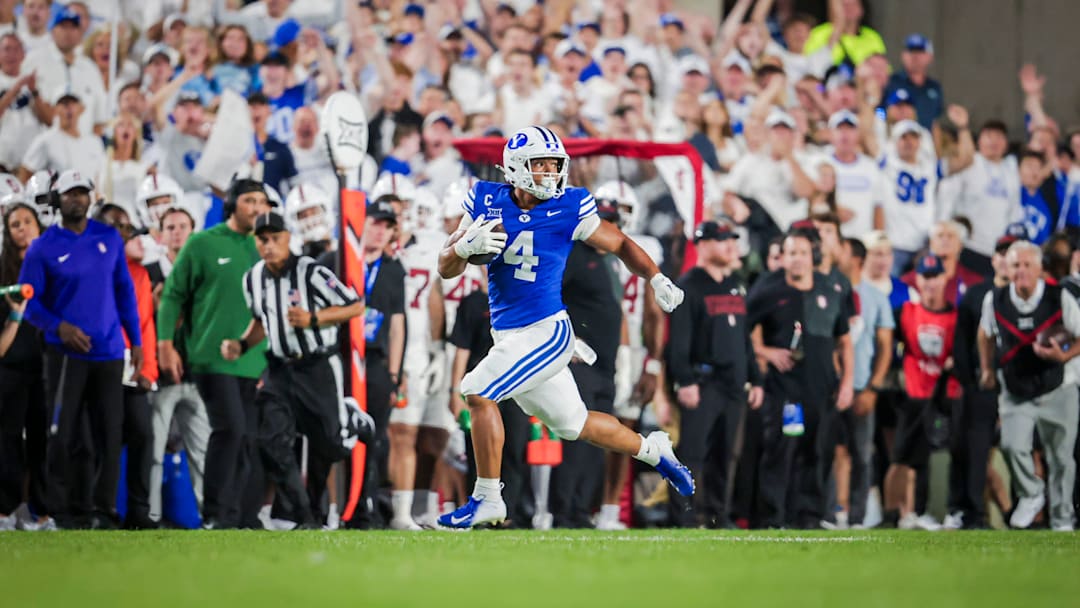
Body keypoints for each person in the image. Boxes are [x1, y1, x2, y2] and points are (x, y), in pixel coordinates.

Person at [436, 125, 692, 529]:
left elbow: (620, 242)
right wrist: (461, 250)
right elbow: (445, 268)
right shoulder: (485, 199)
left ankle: (487, 498)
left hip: (546, 332)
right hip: (509, 334)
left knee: (476, 390)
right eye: (541, 165)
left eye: (556, 165)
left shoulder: (569, 206)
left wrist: (656, 277)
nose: (551, 173)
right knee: (574, 424)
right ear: (517, 167)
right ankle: (652, 448)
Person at [222, 210, 373, 529]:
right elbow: (262, 321)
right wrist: (242, 344)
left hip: (317, 365)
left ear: (288, 238)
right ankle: (304, 515)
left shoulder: (310, 271)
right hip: (279, 369)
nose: (269, 245)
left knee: (329, 443)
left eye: (275, 238)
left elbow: (356, 305)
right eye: (262, 239)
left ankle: (352, 419)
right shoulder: (253, 278)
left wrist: (314, 319)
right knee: (271, 440)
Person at [18, 169, 142, 529]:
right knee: (62, 433)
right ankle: (62, 511)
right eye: (69, 194)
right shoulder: (43, 246)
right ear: (57, 199)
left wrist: (135, 341)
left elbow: (124, 292)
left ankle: (103, 511)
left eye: (82, 193)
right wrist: (60, 326)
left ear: (91, 197)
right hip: (65, 354)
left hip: (107, 351)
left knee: (110, 433)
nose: (77, 199)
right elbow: (30, 301)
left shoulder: (108, 238)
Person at [157, 178, 273, 529]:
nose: (257, 208)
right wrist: (164, 344)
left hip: (256, 360)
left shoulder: (266, 248)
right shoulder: (202, 243)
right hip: (210, 357)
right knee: (231, 430)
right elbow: (173, 295)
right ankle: (216, 514)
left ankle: (243, 516)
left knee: (249, 439)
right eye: (250, 200)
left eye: (262, 202)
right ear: (233, 204)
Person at [746, 226, 854, 529]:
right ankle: (772, 517)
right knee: (782, 450)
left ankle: (809, 517)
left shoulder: (830, 289)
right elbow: (741, 331)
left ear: (813, 256)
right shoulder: (768, 289)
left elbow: (844, 341)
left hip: (822, 389)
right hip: (785, 389)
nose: (796, 259)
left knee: (817, 452)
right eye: (791, 253)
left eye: (803, 253)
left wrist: (847, 383)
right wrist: (767, 352)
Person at [978, 241, 1079, 531]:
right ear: (1006, 269)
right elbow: (984, 334)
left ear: (1039, 269)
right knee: (1012, 445)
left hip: (1059, 386)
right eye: (1015, 265)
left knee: (1061, 457)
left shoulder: (1059, 296)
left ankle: (1061, 519)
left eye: (1026, 265)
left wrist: (1065, 354)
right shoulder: (995, 299)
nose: (1021, 271)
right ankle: (1032, 492)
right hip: (1016, 387)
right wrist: (986, 369)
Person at [668, 219, 763, 528]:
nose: (731, 245)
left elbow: (745, 340)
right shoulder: (688, 285)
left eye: (732, 239)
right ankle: (685, 516)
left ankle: (717, 515)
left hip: (734, 383)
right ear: (704, 245)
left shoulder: (736, 284)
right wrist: (684, 380)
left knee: (727, 454)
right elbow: (678, 339)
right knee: (693, 453)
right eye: (723, 240)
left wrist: (756, 378)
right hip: (704, 381)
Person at [549, 198, 625, 528]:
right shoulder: (575, 256)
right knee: (578, 437)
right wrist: (567, 342)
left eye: (611, 221)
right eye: (602, 221)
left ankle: (582, 509)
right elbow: (549, 298)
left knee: (597, 441)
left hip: (606, 364)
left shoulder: (610, 261)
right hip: (580, 363)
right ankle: (564, 510)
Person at [885, 253, 959, 531]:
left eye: (934, 276)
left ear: (944, 278)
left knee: (944, 457)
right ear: (917, 279)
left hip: (945, 397)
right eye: (925, 277)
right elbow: (887, 343)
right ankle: (892, 516)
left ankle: (941, 511)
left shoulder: (955, 316)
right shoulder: (905, 312)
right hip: (914, 395)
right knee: (902, 458)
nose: (930, 283)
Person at [94, 203, 157, 529]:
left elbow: (146, 325)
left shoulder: (139, 272)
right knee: (103, 437)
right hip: (101, 362)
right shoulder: (90, 266)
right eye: (118, 226)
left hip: (133, 368)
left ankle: (138, 511)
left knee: (143, 435)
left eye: (127, 226)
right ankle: (99, 511)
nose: (126, 232)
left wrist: (149, 368)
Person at [948, 231, 1016, 530]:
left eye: (1011, 254)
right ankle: (973, 513)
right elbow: (961, 342)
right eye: (1000, 253)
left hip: (1022, 389)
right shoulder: (976, 294)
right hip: (983, 387)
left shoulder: (1034, 292)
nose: (1005, 260)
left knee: (1025, 450)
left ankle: (1037, 513)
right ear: (994, 259)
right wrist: (971, 381)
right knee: (974, 451)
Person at [348, 199, 407, 529]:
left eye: (387, 227)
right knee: (338, 432)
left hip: (376, 360)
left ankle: (369, 504)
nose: (381, 231)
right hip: (343, 357)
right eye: (376, 223)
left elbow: (398, 324)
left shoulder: (393, 269)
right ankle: (336, 505)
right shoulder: (342, 260)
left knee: (376, 435)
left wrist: (395, 372)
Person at [832, 236, 893, 529]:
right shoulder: (829, 290)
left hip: (861, 386)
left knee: (861, 453)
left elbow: (885, 346)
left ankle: (857, 517)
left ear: (855, 257)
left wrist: (873, 388)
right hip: (831, 387)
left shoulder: (875, 297)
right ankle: (830, 512)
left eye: (841, 250)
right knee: (829, 450)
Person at [0, 202, 48, 530]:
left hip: (48, 367)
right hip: (11, 366)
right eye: (15, 224)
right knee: (8, 439)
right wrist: (17, 311)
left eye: (27, 221)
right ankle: (5, 510)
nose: (22, 228)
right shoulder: (2, 273)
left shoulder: (54, 266)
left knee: (45, 441)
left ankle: (43, 512)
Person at [883, 34, 944, 130]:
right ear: (903, 55)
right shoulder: (890, 82)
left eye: (920, 51)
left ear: (930, 57)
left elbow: (934, 122)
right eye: (911, 51)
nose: (915, 56)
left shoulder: (935, 88)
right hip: (896, 139)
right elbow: (879, 113)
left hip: (924, 141)